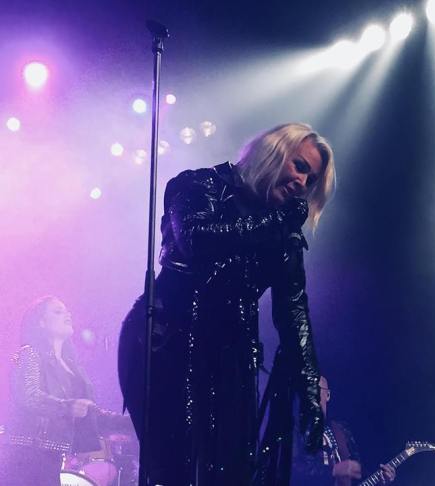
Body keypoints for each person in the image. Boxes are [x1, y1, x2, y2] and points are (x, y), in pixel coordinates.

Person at [118, 123, 336, 485]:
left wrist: (310, 391)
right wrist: (275, 222)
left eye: (310, 179)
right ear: (273, 152)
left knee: (232, 472)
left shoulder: (283, 230)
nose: (302, 182)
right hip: (166, 340)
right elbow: (196, 242)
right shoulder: (200, 185)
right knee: (175, 468)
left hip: (230, 355)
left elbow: (293, 311)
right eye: (299, 166)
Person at [0, 296, 128, 486]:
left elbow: (88, 413)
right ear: (41, 322)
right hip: (25, 454)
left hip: (51, 457)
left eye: (67, 311)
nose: (67, 314)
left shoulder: (71, 368)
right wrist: (67, 407)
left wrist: (130, 423)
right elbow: (28, 395)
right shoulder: (30, 353)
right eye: (57, 311)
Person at [292, 376, 396, 486]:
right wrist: (332, 471)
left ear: (328, 395)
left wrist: (380, 479)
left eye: (316, 389)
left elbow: (357, 472)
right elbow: (293, 471)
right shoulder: (295, 430)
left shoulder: (340, 429)